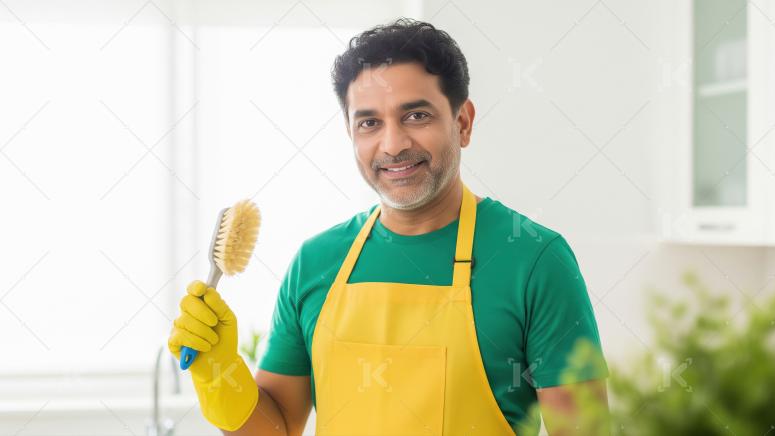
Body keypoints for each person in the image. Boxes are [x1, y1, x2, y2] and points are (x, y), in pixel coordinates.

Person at [168, 17, 610, 435]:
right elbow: (278, 428)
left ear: (462, 123)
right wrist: (219, 373)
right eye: (370, 123)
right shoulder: (316, 262)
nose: (393, 144)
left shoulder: (534, 260)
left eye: (416, 116)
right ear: (351, 133)